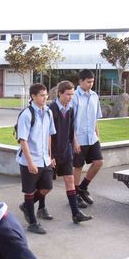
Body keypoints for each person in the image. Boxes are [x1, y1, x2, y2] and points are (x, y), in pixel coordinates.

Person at [15, 83, 56, 234]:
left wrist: (50, 156)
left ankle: (27, 206)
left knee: (47, 188)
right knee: (30, 192)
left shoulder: (48, 112)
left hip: (44, 159)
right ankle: (32, 222)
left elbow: (49, 136)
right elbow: (23, 140)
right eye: (41, 95)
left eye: (46, 95)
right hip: (29, 160)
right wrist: (30, 162)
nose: (45, 98)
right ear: (33, 96)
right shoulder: (26, 114)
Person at [50, 81, 93, 224]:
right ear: (60, 93)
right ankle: (36, 206)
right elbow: (47, 135)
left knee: (69, 180)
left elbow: (71, 128)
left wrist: (75, 141)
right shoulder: (51, 109)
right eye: (68, 94)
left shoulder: (70, 109)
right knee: (45, 185)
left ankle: (76, 214)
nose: (70, 97)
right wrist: (49, 155)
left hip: (66, 151)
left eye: (72, 94)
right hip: (53, 153)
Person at [72, 69, 104, 209]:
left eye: (92, 82)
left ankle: (83, 188)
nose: (91, 84)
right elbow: (70, 121)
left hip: (92, 137)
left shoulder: (94, 96)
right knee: (78, 166)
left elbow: (95, 118)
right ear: (80, 81)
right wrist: (74, 140)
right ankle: (74, 195)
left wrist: (97, 135)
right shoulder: (73, 97)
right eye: (88, 82)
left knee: (98, 162)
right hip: (78, 137)